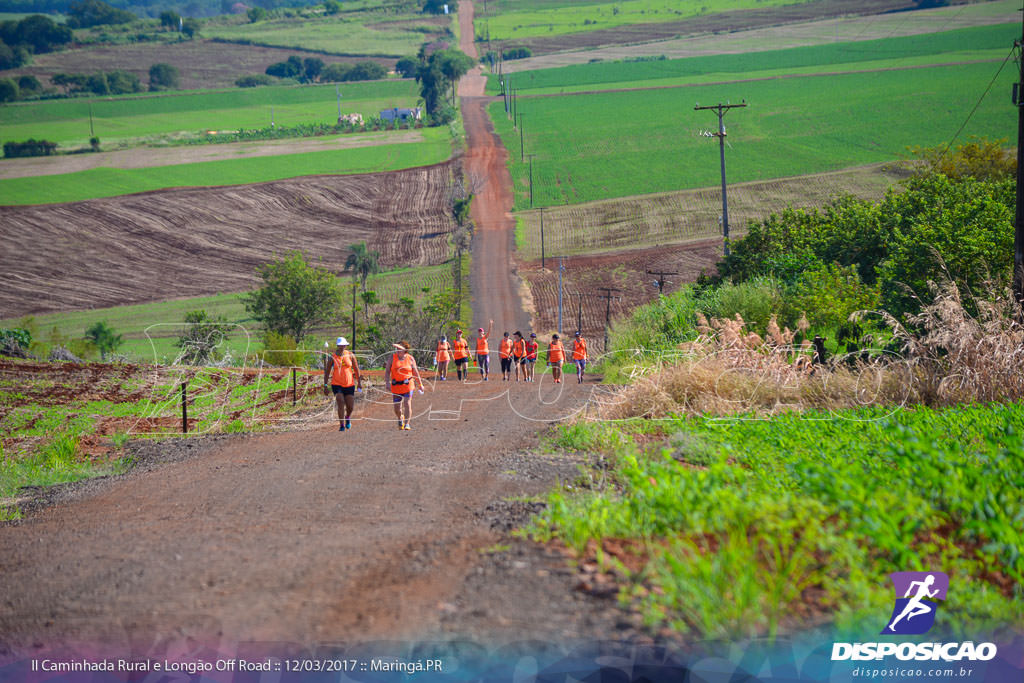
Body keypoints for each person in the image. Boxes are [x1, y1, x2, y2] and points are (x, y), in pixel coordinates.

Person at [383, 340, 424, 430]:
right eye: (397, 348)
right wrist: (387, 382)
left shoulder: (410, 358)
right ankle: (400, 417)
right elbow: (387, 371)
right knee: (397, 408)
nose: (397, 350)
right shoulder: (392, 358)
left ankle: (407, 424)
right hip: (396, 386)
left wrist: (420, 384)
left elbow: (415, 372)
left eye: (399, 348)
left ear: (405, 349)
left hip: (408, 385)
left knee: (407, 403)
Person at [323, 336, 361, 431]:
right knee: (340, 402)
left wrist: (359, 382)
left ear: (346, 345)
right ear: (337, 345)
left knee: (350, 406)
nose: (342, 347)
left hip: (349, 384)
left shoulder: (351, 355)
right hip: (337, 384)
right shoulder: (332, 357)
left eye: (344, 345)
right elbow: (327, 371)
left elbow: (356, 369)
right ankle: (341, 425)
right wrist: (325, 385)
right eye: (340, 345)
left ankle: (347, 417)